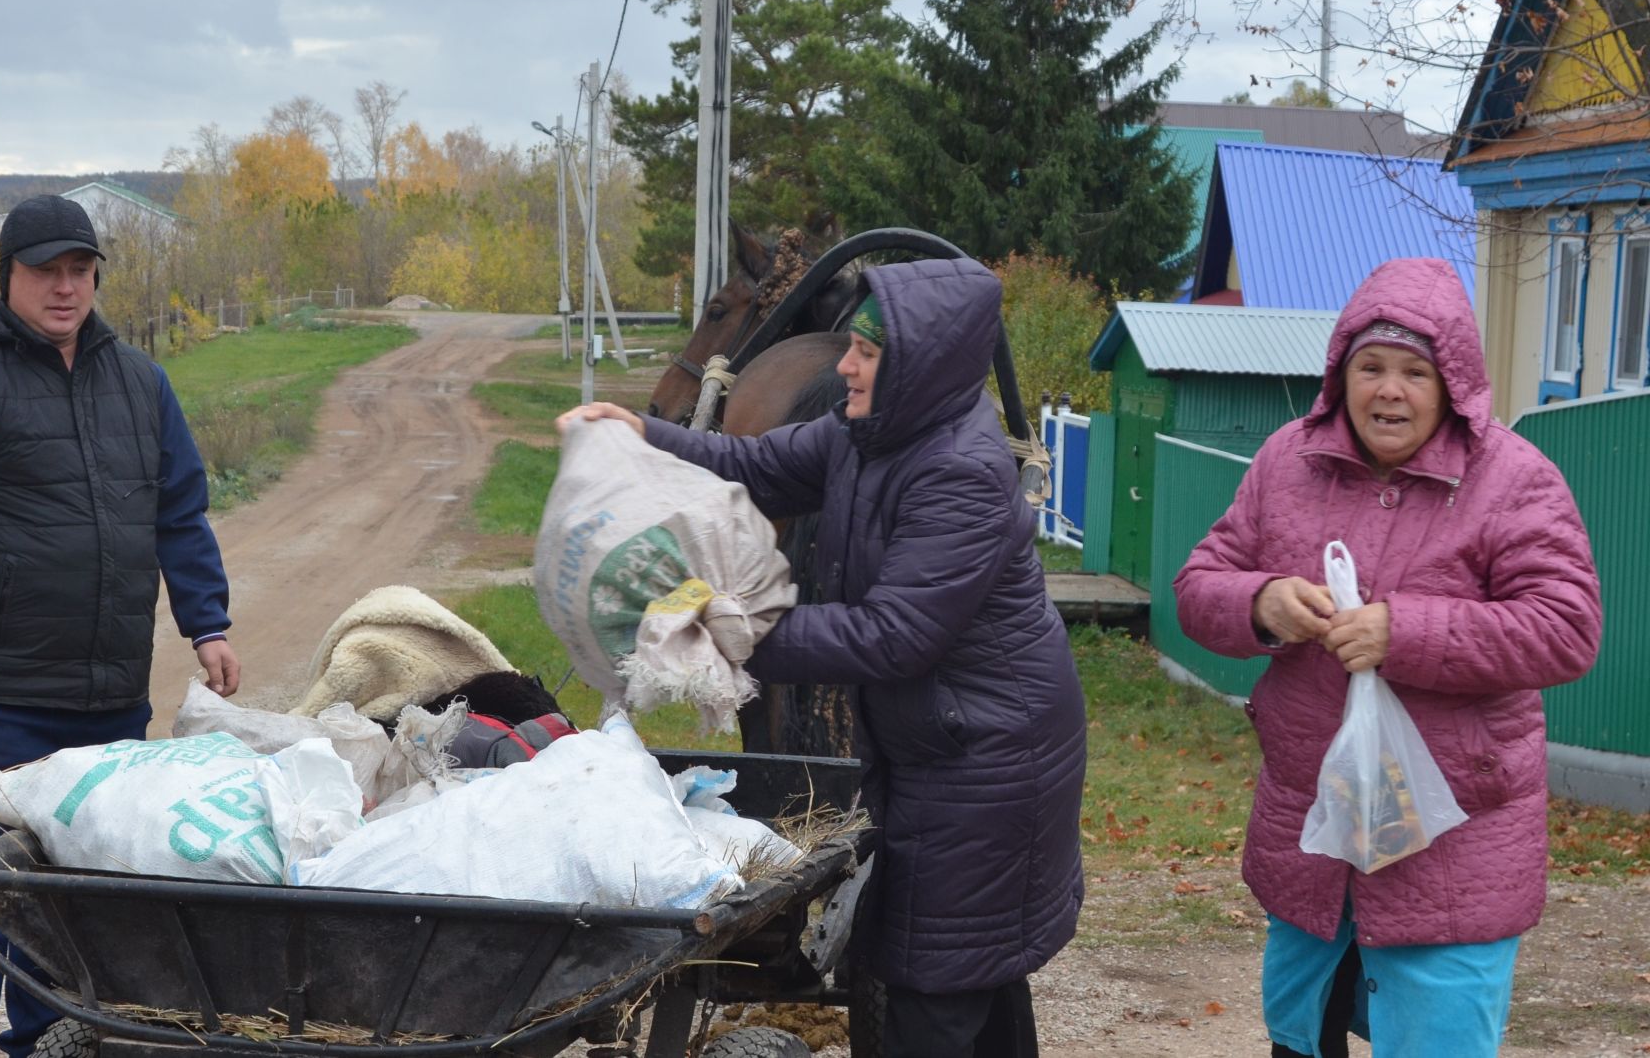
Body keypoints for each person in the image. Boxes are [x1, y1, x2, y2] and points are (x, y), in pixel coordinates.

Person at [559, 257, 1085, 1058]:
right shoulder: (867, 432)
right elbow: (757, 466)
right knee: (968, 967)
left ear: (919, 365)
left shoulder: (961, 472)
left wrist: (731, 630)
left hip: (987, 764)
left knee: (931, 986)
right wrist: (647, 438)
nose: (844, 364)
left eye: (866, 354)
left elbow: (892, 635)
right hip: (940, 745)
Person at [1174, 258, 1602, 1058]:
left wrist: (1403, 634)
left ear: (1455, 383)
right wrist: (1261, 603)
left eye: (1415, 371)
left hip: (1455, 845)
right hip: (1316, 836)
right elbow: (1199, 584)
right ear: (1342, 374)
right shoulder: (1286, 462)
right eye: (1371, 367)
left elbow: (1566, 626)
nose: (1390, 391)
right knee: (1302, 1040)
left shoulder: (1513, 481)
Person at [0, 194, 242, 1058]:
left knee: (82, 907)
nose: (66, 287)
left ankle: (57, 1046)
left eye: (80, 270)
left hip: (110, 703)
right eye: (47, 271)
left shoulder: (141, 384)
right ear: (9, 277)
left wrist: (208, 624)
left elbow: (179, 514)